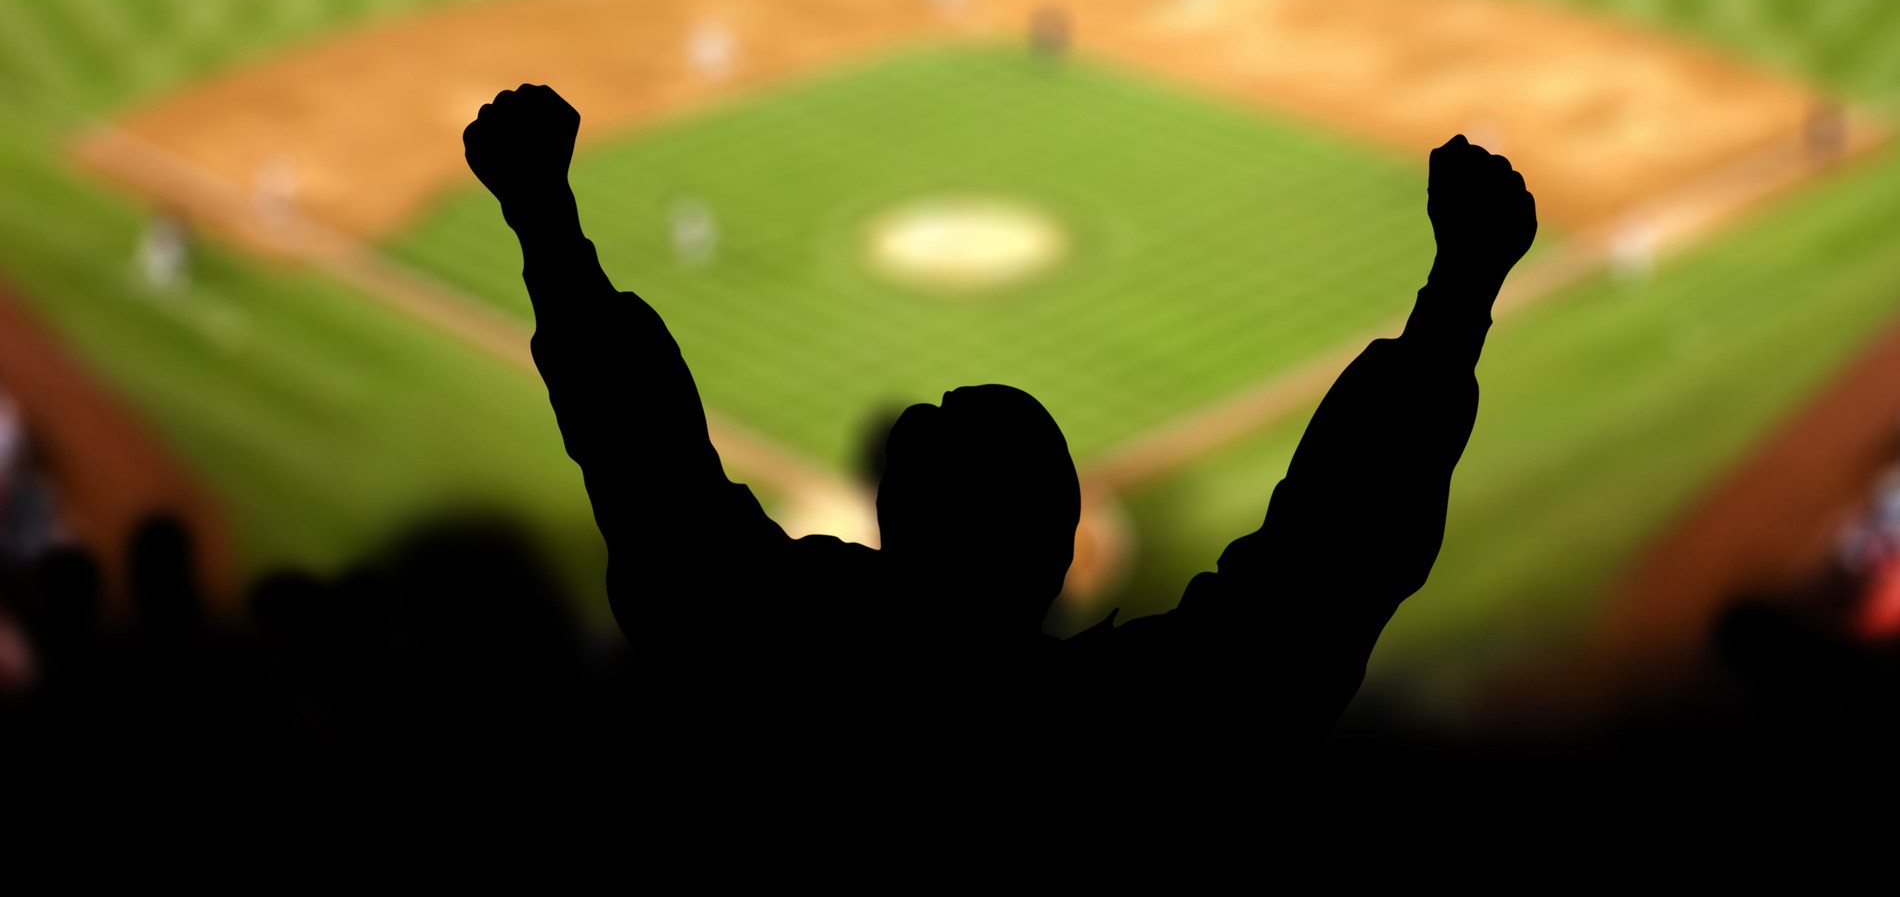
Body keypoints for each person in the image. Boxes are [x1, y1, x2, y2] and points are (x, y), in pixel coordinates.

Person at [463, 85, 1536, 778]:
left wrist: (542, 215)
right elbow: (1325, 573)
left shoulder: (772, 663)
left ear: (885, 521)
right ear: (1061, 551)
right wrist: (1460, 289)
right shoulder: (1143, 733)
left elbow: (650, 476)